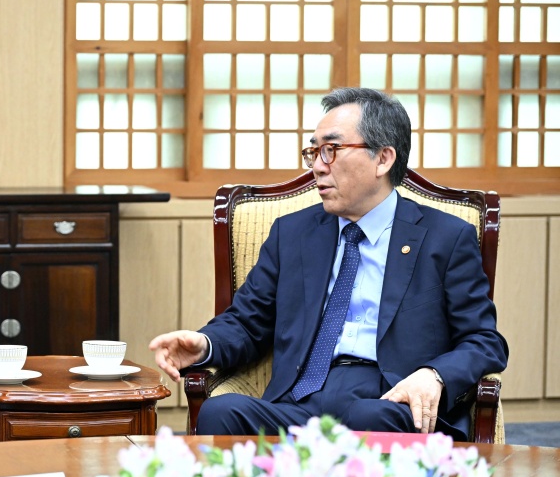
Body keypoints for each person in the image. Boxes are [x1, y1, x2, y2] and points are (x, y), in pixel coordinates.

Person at [149, 87, 508, 440]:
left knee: (369, 416)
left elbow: (484, 341)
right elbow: (247, 322)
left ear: (383, 158)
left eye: (331, 150)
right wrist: (205, 344)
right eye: (314, 152)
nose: (318, 167)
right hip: (299, 402)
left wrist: (434, 374)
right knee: (220, 412)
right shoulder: (292, 234)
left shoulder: (444, 237)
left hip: (386, 403)